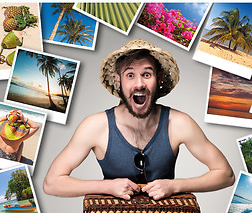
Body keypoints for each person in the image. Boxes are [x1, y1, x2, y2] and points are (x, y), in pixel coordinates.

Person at [44, 39, 235, 200]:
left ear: (158, 79)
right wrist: (108, 187)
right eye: (130, 75)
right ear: (119, 81)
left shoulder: (179, 123)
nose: (139, 84)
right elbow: (52, 183)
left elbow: (225, 175)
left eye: (146, 74)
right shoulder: (95, 125)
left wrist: (174, 186)